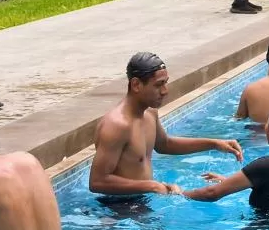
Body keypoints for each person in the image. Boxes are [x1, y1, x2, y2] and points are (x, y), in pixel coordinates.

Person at [88, 52, 242, 196]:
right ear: (136, 85)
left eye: (165, 83)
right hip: (117, 210)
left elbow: (164, 144)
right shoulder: (116, 125)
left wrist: (214, 144)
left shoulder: (150, 113)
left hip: (144, 200)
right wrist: (152, 186)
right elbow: (97, 181)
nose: (165, 91)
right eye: (158, 85)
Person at [185, 102, 269, 212]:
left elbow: (212, 193)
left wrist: (179, 193)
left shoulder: (266, 166)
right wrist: (226, 182)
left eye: (267, 122)